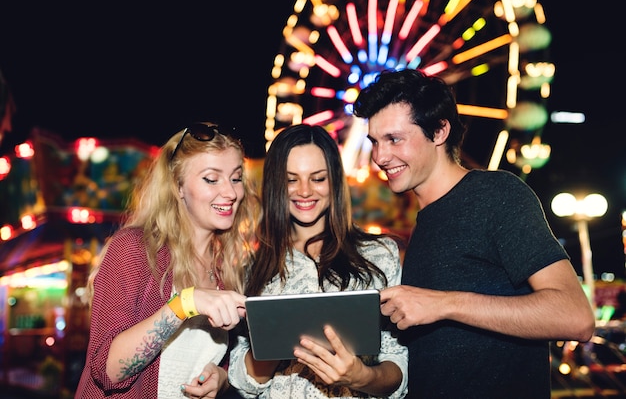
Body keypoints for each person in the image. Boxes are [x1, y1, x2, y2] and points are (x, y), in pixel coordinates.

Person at [352, 68, 596, 398]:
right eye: (375, 142)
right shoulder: (425, 223)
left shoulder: (496, 195)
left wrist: (444, 304)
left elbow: (575, 316)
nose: (380, 157)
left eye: (394, 139)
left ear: (439, 131)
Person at [75, 122, 260, 398]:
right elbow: (108, 371)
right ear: (178, 187)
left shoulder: (227, 267)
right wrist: (185, 303)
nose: (231, 193)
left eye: (235, 178)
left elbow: (204, 355)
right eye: (212, 179)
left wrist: (220, 377)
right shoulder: (134, 249)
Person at [228, 124, 408, 398]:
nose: (304, 190)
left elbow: (398, 367)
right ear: (276, 184)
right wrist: (276, 340)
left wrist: (362, 376)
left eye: (317, 178)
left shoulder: (379, 255)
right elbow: (242, 380)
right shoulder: (251, 268)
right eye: (291, 179)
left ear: (334, 180)